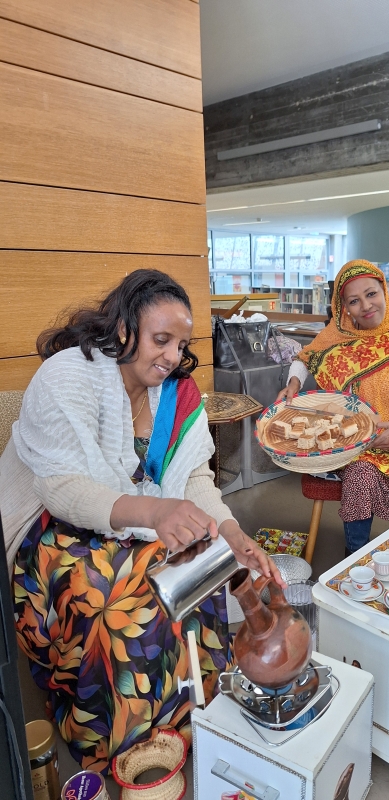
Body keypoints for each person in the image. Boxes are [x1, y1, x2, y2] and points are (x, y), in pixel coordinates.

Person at [0, 269, 282, 773]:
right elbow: (60, 488)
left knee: (207, 566)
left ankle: (188, 712)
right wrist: (155, 511)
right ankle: (115, 732)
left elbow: (195, 481)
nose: (173, 356)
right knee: (116, 598)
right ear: (124, 327)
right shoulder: (70, 376)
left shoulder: (178, 396)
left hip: (137, 522)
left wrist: (234, 535)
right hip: (49, 526)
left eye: (180, 344)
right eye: (161, 339)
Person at [277, 259, 389, 554]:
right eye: (354, 301)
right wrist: (293, 383)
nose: (366, 306)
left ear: (384, 292)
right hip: (356, 441)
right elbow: (304, 358)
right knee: (360, 476)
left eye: (371, 294)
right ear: (343, 306)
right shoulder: (337, 336)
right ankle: (355, 557)